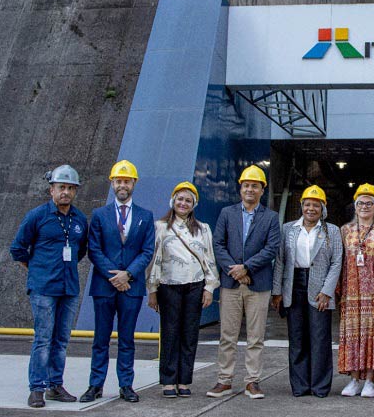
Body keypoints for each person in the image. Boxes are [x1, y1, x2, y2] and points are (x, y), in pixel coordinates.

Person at [10, 165, 88, 408]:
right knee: (43, 339)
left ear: (75, 191)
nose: (65, 192)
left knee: (61, 339)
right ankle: (37, 388)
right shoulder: (37, 216)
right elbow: (18, 249)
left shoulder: (79, 219)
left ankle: (56, 385)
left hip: (69, 288)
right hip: (43, 288)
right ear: (51, 189)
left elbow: (80, 251)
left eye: (70, 188)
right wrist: (36, 269)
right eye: (61, 187)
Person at [81, 160, 155, 403]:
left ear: (134, 183)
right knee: (100, 338)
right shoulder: (100, 215)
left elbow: (146, 251)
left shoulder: (145, 216)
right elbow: (94, 249)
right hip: (105, 286)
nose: (122, 185)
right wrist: (115, 276)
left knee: (127, 338)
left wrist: (128, 275)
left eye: (127, 181)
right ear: (112, 183)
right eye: (118, 181)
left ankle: (126, 384)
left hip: (131, 287)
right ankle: (95, 384)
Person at [208, 164, 280, 399]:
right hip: (231, 284)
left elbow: (271, 248)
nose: (250, 189)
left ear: (262, 190)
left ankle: (252, 381)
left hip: (258, 284)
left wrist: (247, 267)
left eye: (255, 186)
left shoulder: (270, 217)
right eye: (246, 185)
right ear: (240, 188)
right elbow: (218, 245)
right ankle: (224, 380)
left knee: (255, 336)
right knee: (227, 334)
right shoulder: (226, 213)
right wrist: (235, 271)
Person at [146, 182, 220, 398]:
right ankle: (168, 381)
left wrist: (209, 288)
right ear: (173, 201)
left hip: (195, 286)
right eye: (180, 199)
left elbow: (209, 259)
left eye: (188, 200)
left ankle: (184, 380)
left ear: (193, 204)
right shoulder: (160, 227)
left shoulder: (203, 228)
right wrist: (152, 290)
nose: (183, 203)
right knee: (170, 334)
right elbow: (153, 261)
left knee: (189, 334)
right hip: (169, 286)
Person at [272, 185, 343, 398]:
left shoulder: (332, 231)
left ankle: (320, 386)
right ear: (301, 206)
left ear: (322, 209)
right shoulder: (288, 229)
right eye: (307, 204)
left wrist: (327, 291)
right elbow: (280, 261)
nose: (311, 209)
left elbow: (337, 262)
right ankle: (300, 386)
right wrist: (277, 291)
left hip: (319, 288)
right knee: (297, 338)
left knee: (320, 338)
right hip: (293, 284)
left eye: (315, 205)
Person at [337, 183, 374, 398]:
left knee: (373, 337)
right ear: (354, 206)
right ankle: (354, 380)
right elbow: (337, 261)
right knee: (352, 337)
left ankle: (370, 381)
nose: (364, 206)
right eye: (360, 203)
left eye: (369, 203)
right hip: (351, 294)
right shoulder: (344, 231)